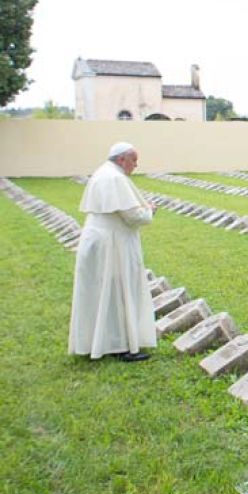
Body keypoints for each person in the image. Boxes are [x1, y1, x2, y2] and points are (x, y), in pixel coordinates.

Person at [68, 142, 157, 362]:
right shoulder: (115, 178)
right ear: (121, 159)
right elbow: (133, 216)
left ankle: (101, 341)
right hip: (111, 243)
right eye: (133, 160)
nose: (136, 165)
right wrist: (150, 211)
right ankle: (120, 345)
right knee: (117, 290)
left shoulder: (102, 173)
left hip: (97, 238)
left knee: (100, 291)